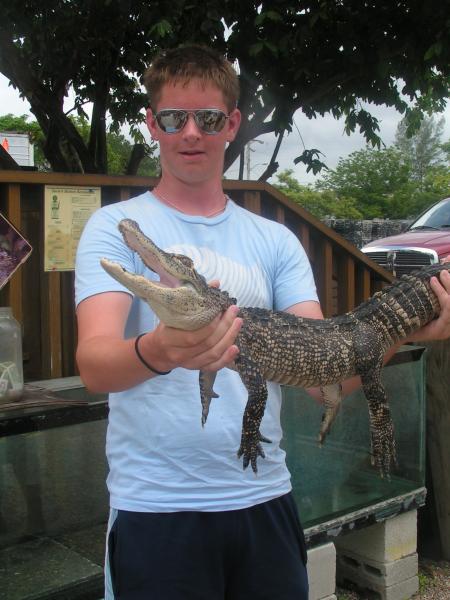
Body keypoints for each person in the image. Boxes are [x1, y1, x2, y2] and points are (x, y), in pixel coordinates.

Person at [75, 45, 450, 600]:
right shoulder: (114, 228)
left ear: (231, 125)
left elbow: (329, 373)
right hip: (157, 506)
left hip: (265, 496)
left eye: (207, 119)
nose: (191, 134)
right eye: (174, 118)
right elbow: (94, 366)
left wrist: (402, 330)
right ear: (152, 124)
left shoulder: (275, 240)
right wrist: (161, 349)